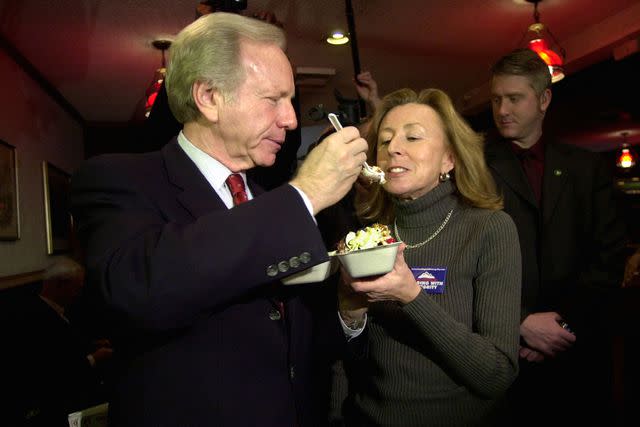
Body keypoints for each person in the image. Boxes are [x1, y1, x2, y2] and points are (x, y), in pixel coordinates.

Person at [70, 12, 368, 427]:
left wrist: (348, 312)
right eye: (273, 99)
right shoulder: (119, 179)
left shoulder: (268, 202)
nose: (291, 120)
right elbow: (137, 292)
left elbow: (296, 343)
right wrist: (307, 192)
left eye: (291, 100)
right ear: (209, 97)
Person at [331, 88, 522, 426]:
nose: (393, 149)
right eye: (385, 141)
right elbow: (347, 363)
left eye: (413, 137)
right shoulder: (370, 236)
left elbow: (496, 375)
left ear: (449, 158)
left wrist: (411, 295)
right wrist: (351, 317)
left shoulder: (490, 229)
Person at [485, 48, 628, 425]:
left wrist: (563, 326)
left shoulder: (586, 167)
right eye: (497, 99)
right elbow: (464, 260)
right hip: (503, 354)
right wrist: (519, 322)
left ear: (544, 99)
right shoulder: (474, 167)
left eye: (514, 98)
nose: (502, 110)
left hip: (578, 353)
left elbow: (609, 257)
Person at [3, 257, 112, 427]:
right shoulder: (36, 319)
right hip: (55, 403)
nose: (78, 294)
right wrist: (94, 359)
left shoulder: (48, 308)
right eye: (76, 288)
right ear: (60, 285)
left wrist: (91, 346)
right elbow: (55, 371)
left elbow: (65, 345)